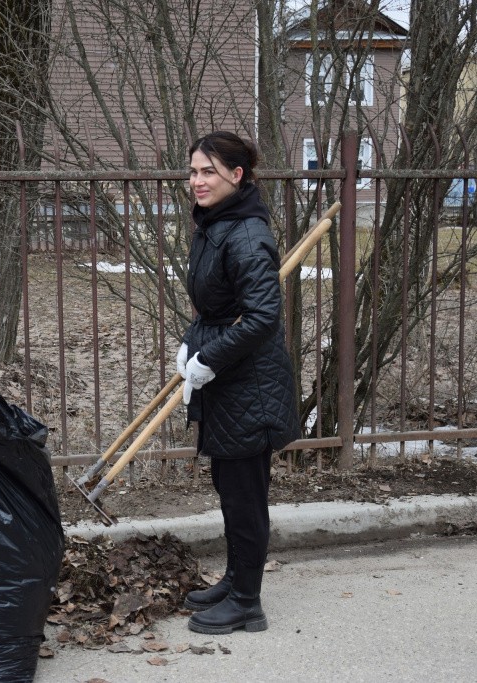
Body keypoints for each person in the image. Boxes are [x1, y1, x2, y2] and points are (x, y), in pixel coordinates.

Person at [176, 131, 300, 635]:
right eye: (193, 171)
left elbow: (263, 316)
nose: (197, 181)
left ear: (236, 175)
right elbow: (218, 307)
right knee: (230, 488)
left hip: (251, 384)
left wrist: (209, 357)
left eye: (208, 171)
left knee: (246, 494)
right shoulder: (215, 225)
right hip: (230, 379)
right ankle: (236, 579)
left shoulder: (246, 234)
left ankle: (248, 601)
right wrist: (192, 343)